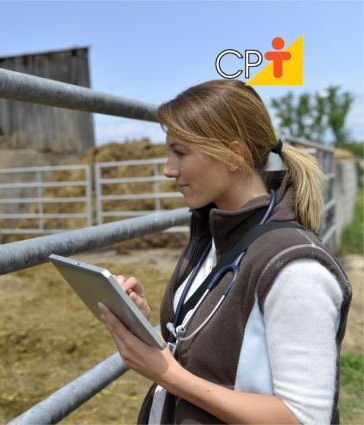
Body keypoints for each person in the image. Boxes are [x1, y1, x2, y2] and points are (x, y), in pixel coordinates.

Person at [98, 79, 352, 424]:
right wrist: (144, 325)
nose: (168, 169)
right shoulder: (212, 235)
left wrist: (168, 375)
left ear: (234, 154)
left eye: (180, 152)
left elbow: (304, 419)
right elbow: (212, 353)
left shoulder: (297, 268)